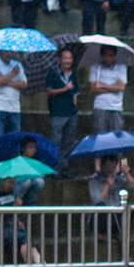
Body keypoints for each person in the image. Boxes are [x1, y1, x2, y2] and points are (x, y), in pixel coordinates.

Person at [0, 176, 42, 264]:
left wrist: (18, 220)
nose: (12, 186)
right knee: (25, 239)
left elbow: (13, 215)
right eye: (10, 183)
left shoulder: (10, 194)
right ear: (1, 180)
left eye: (13, 183)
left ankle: (42, 266)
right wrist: (12, 208)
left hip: (12, 227)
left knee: (29, 243)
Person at [46, 48, 79, 178]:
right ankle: (55, 169)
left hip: (71, 113)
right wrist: (64, 89)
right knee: (56, 141)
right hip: (57, 112)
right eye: (65, 58)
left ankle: (64, 168)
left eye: (70, 58)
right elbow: (49, 91)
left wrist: (75, 109)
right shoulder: (53, 73)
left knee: (68, 142)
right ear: (59, 59)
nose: (68, 61)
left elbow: (75, 93)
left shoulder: (72, 74)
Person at [88, 154, 134, 238]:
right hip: (102, 217)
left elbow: (132, 185)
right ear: (102, 166)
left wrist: (127, 173)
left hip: (115, 216)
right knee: (100, 207)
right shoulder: (94, 182)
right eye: (107, 167)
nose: (110, 170)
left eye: (112, 167)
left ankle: (118, 232)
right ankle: (100, 233)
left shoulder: (119, 180)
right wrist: (107, 185)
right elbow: (98, 199)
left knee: (126, 209)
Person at [0, 50, 27, 138]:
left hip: (14, 107)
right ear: (0, 52)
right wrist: (13, 74)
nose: (9, 54)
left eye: (11, 52)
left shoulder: (17, 65)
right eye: (6, 52)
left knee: (14, 138)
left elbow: (24, 84)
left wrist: (5, 80)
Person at [90, 45, 127, 134]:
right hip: (100, 106)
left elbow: (122, 87)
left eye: (111, 55)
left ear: (115, 56)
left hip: (116, 107)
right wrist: (114, 87)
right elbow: (93, 89)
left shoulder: (121, 68)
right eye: (106, 55)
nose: (109, 58)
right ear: (102, 55)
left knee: (116, 136)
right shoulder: (95, 68)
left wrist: (102, 86)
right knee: (99, 136)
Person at [12, 135, 46, 205]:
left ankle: (29, 201)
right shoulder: (16, 161)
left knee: (39, 181)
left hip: (29, 188)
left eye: (34, 147)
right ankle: (17, 201)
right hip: (16, 187)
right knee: (26, 181)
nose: (33, 150)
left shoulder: (36, 161)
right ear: (23, 148)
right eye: (30, 147)